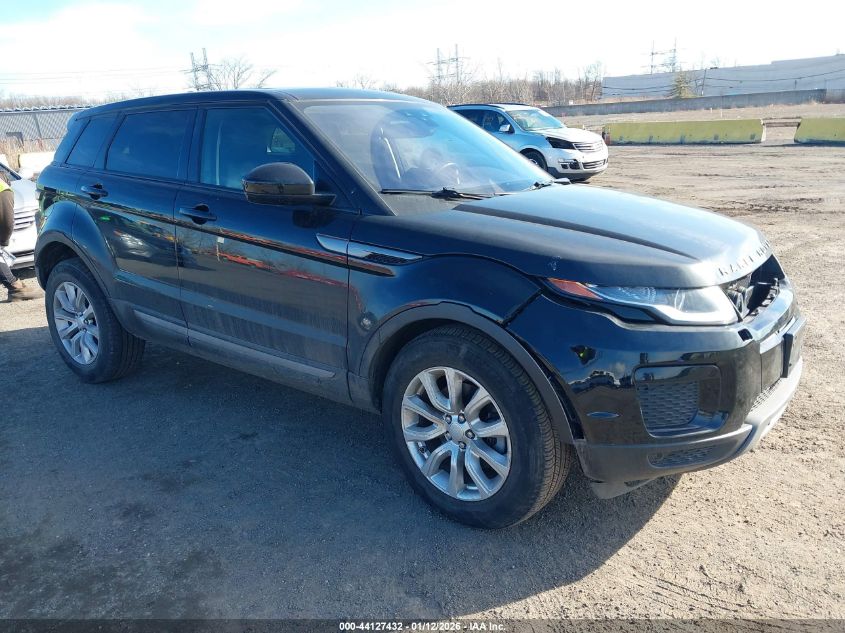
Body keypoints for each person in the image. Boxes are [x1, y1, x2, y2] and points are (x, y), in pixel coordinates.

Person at [0, 169, 38, 302]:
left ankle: (15, 287)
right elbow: (7, 223)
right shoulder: (3, 190)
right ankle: (15, 287)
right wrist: (3, 242)